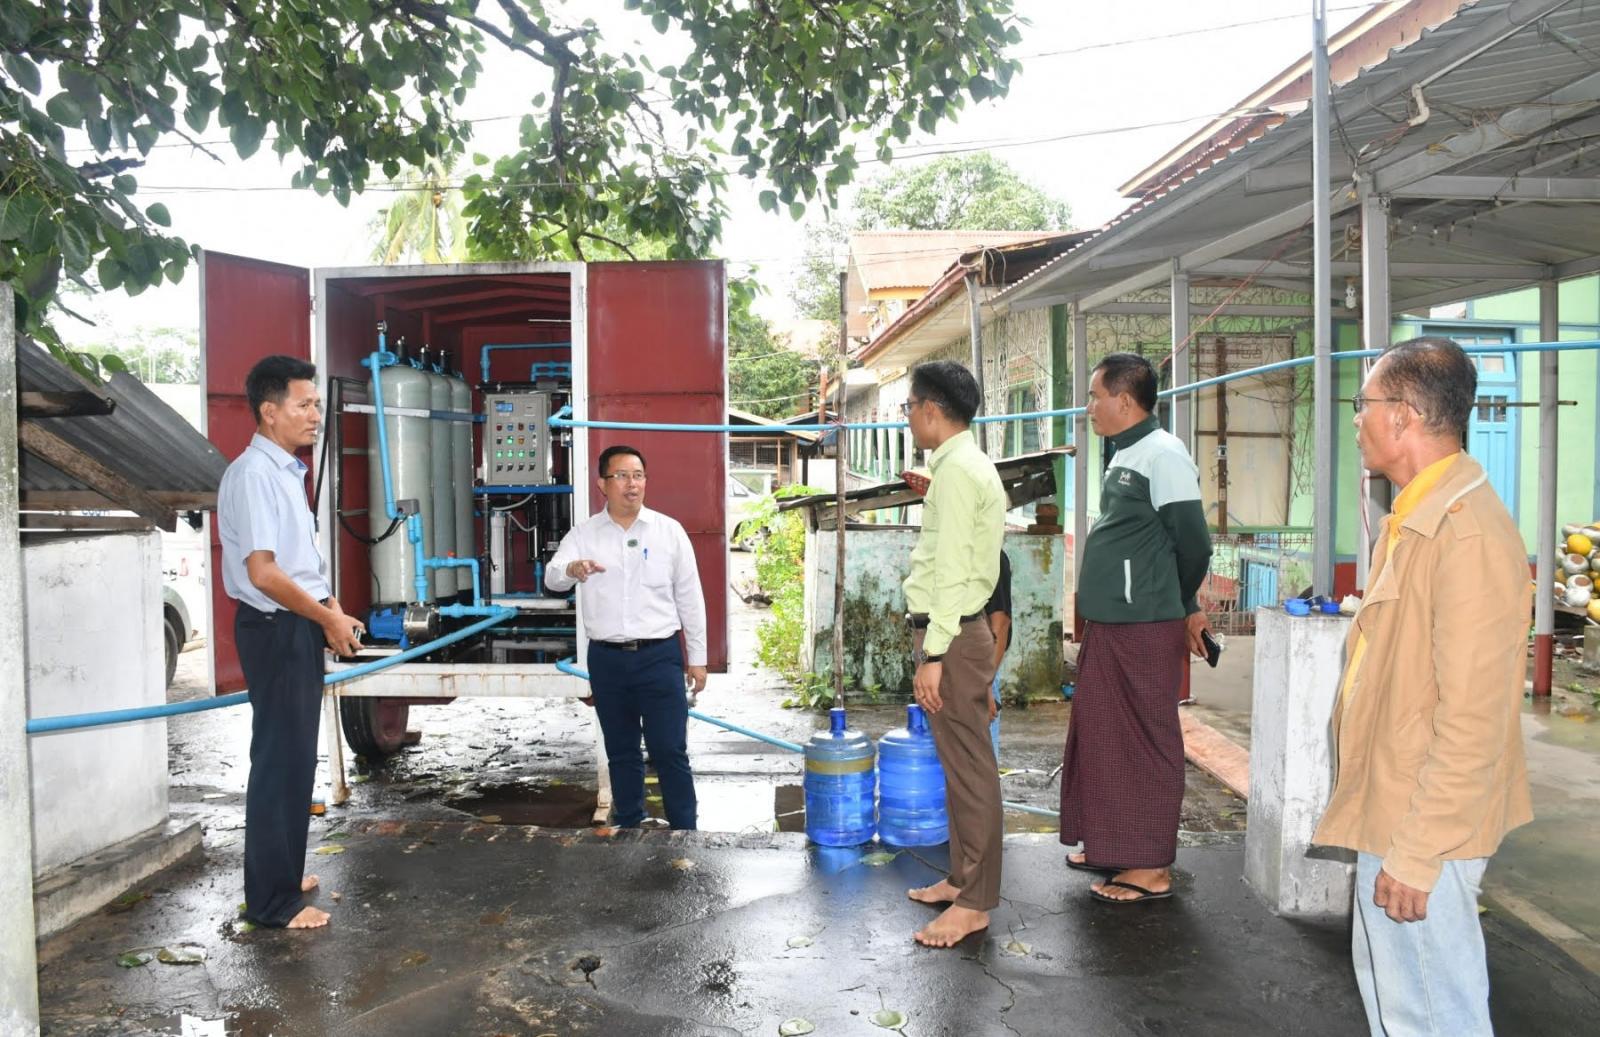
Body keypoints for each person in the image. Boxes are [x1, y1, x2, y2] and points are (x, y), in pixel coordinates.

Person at [1312, 337, 1531, 1036]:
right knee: (1402, 1005)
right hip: (1397, 800)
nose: (1356, 419)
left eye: (1364, 403)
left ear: (1403, 414)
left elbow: (1475, 719)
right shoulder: (1416, 517)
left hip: (1422, 820)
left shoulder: (1466, 535)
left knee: (1433, 1014)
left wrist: (1419, 851)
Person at [1058, 352, 1213, 905]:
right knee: (1102, 735)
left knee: (1146, 741)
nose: (1089, 406)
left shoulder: (1164, 455)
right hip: (1114, 623)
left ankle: (1149, 867)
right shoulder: (1126, 452)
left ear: (1124, 401)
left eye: (1095, 396)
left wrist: (1179, 602)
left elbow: (1193, 544)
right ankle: (1111, 843)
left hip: (1144, 625)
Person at [217, 355, 364, 930]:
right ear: (269, 411)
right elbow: (263, 573)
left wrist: (331, 608)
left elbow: (298, 565)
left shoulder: (285, 472)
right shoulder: (255, 475)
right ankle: (272, 903)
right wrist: (325, 619)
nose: (315, 415)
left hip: (295, 622)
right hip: (275, 627)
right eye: (304, 405)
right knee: (279, 762)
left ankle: (283, 872)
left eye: (316, 405)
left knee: (298, 757)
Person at [900, 360, 1007, 948]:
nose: (908, 418)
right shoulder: (959, 466)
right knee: (960, 769)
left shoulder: (960, 471)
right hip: (955, 634)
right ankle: (965, 879)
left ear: (931, 409)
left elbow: (954, 572)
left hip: (954, 638)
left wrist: (934, 654)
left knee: (970, 771)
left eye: (909, 407)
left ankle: (974, 903)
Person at [546, 444, 708, 830]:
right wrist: (572, 569)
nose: (631, 484)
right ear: (603, 484)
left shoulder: (669, 532)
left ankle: (686, 831)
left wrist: (698, 658)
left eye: (638, 476)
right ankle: (630, 828)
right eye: (621, 476)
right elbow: (553, 578)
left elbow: (690, 597)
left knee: (670, 750)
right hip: (608, 659)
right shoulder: (584, 534)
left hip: (660, 656)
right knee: (620, 751)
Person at [985, 551, 1013, 763]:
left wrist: (984, 684)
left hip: (980, 673)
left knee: (981, 763)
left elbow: (1000, 624)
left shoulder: (992, 556)